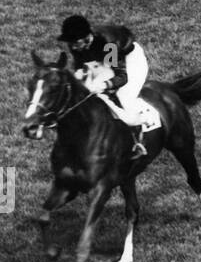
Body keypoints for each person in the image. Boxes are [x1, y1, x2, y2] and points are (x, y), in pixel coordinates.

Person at [56, 14, 150, 157]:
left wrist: (105, 85)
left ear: (87, 37)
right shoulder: (77, 45)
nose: (72, 46)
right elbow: (81, 67)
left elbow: (121, 76)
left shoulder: (108, 45)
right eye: (70, 42)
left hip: (129, 60)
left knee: (123, 95)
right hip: (102, 60)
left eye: (75, 42)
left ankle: (139, 136)